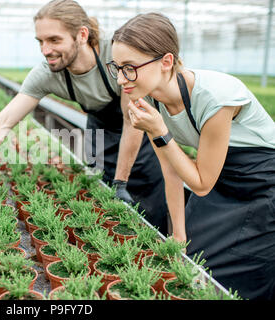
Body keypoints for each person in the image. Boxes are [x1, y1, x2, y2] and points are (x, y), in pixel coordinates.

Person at [0, 0, 169, 235]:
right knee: (106, 205)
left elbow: (131, 120)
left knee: (147, 211)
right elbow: (3, 121)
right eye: (40, 41)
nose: (46, 50)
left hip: (140, 133)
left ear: (82, 35)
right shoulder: (47, 73)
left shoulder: (114, 55)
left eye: (54, 40)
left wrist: (121, 182)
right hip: (99, 132)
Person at [108, 12, 275, 300]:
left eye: (130, 68)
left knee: (237, 268)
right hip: (219, 176)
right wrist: (178, 234)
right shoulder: (149, 101)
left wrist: (161, 132)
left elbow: (200, 184)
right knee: (194, 255)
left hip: (261, 183)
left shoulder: (214, 98)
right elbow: (170, 169)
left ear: (166, 62)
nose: (122, 79)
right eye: (117, 67)